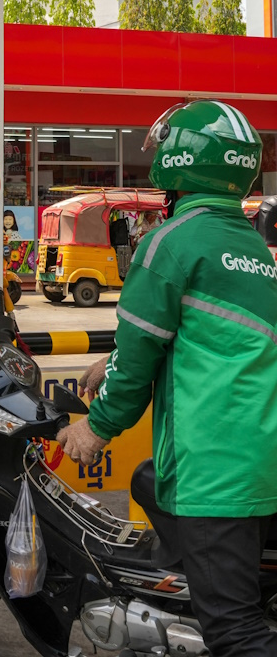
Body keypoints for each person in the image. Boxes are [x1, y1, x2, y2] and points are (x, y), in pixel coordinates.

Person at [58, 100, 277, 656]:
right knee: (147, 480)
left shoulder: (170, 242)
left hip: (216, 471)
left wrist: (96, 429)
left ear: (179, 164)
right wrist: (111, 361)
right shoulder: (250, 246)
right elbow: (214, 338)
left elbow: (137, 369)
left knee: (235, 631)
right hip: (258, 456)